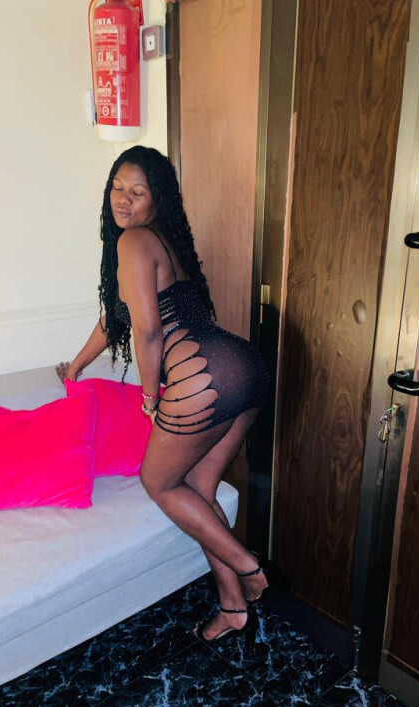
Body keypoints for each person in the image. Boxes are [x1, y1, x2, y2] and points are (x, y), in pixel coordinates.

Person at [56, 146, 270, 641]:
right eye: (117, 188)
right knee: (198, 487)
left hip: (203, 376)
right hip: (244, 368)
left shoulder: (134, 241)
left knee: (158, 482)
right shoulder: (166, 243)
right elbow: (117, 318)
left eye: (138, 192)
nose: (124, 200)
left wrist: (150, 399)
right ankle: (233, 607)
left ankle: (249, 568)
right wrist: (79, 366)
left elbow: (148, 331)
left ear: (157, 199)